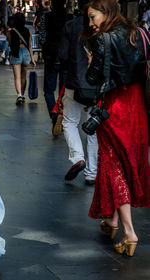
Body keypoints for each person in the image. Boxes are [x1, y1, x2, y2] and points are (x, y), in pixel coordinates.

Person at [84, 0, 150, 256]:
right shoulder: (140, 32)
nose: (91, 23)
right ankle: (112, 221)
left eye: (93, 17)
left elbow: (92, 79)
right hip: (138, 104)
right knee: (129, 161)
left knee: (113, 166)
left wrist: (91, 59)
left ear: (106, 13)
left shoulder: (103, 40)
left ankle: (129, 231)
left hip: (114, 107)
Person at [58, 0, 98, 185]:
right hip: (97, 86)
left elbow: (63, 55)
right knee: (93, 128)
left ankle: (77, 158)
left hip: (75, 82)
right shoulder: (102, 26)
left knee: (69, 122)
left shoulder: (71, 26)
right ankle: (91, 173)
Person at [39, 0, 67, 135]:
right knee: (64, 92)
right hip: (65, 58)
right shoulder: (69, 17)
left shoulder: (47, 17)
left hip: (51, 56)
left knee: (48, 90)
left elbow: (43, 37)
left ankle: (53, 114)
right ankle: (61, 114)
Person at [7, 12, 35, 105]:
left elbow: (10, 44)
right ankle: (22, 95)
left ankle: (19, 95)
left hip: (16, 53)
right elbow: (30, 46)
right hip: (26, 53)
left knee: (17, 77)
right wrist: (32, 59)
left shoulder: (11, 31)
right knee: (24, 76)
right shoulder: (28, 31)